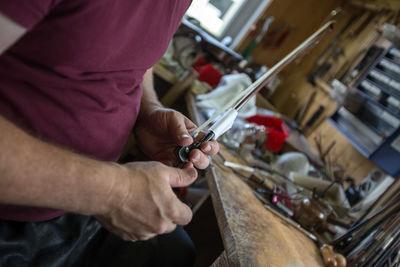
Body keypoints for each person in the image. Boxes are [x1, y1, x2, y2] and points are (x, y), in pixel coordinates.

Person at [0, 0, 219, 266]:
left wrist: (147, 109)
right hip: (17, 205)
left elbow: (134, 55)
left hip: (78, 202)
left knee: (175, 254)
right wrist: (114, 191)